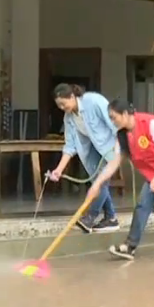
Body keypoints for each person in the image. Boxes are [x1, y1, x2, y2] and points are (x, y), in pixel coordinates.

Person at [87, 99, 154, 261]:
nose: (112, 121)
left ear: (124, 114)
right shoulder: (122, 135)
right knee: (142, 206)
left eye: (113, 117)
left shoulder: (150, 124)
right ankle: (130, 246)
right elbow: (114, 162)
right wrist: (97, 183)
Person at [50, 84, 120, 233]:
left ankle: (90, 217)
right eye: (59, 106)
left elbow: (114, 121)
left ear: (72, 97)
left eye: (64, 103)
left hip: (110, 146)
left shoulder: (93, 101)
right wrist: (59, 169)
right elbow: (70, 146)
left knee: (101, 181)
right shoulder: (69, 118)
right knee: (98, 181)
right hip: (92, 149)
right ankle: (111, 218)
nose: (62, 108)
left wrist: (119, 143)